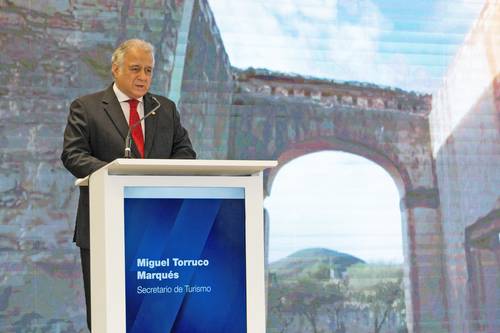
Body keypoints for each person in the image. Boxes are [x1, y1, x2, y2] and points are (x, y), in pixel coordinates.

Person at [61, 39, 196, 330]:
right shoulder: (87, 107)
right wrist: (116, 175)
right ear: (115, 69)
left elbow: (185, 152)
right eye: (135, 69)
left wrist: (156, 175)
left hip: (159, 225)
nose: (143, 77)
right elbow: (73, 154)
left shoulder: (165, 108)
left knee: (152, 313)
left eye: (148, 70)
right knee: (106, 316)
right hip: (103, 225)